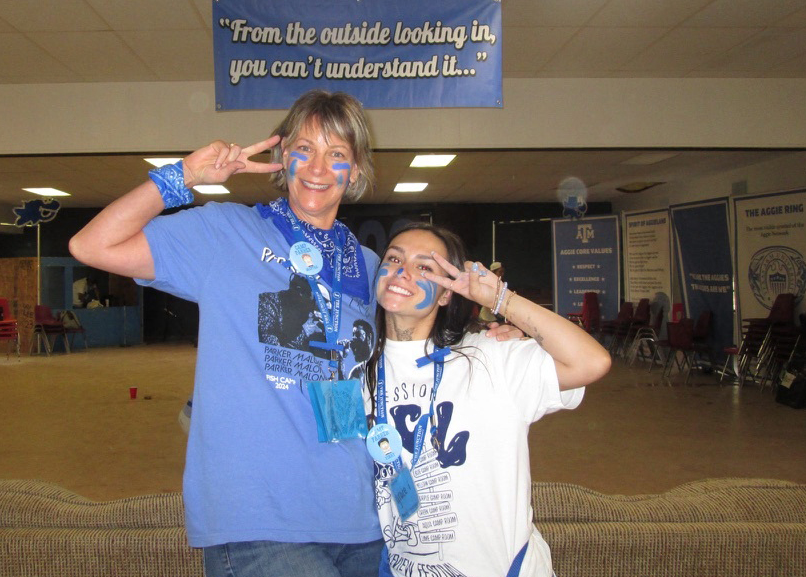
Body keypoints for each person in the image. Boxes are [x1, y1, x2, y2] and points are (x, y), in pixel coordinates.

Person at [69, 89, 384, 577]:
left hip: (359, 521)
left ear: (357, 171)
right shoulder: (226, 234)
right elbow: (91, 245)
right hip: (260, 523)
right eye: (304, 148)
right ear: (283, 157)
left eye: (337, 154)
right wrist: (185, 176)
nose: (318, 167)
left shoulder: (365, 265)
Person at [365, 223, 612, 577]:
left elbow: (592, 361)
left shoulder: (489, 358)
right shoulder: (359, 376)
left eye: (424, 266)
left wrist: (500, 300)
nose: (402, 271)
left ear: (446, 293)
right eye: (394, 258)